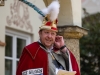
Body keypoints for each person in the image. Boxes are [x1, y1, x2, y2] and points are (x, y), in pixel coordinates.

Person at [16, 0, 80, 75]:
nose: (49, 36)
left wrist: (63, 48)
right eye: (46, 32)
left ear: (56, 36)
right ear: (40, 33)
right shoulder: (30, 50)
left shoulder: (60, 51)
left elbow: (73, 69)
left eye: (53, 33)